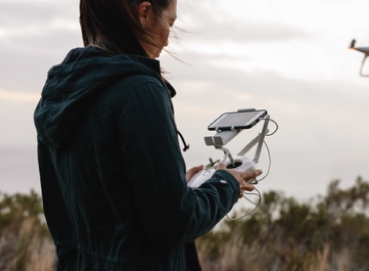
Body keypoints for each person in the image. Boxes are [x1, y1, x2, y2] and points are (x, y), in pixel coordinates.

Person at [33, 0, 262, 270]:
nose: (167, 40)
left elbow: (102, 203)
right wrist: (226, 183)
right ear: (144, 13)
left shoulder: (59, 95)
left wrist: (177, 188)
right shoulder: (140, 92)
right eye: (170, 23)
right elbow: (173, 223)